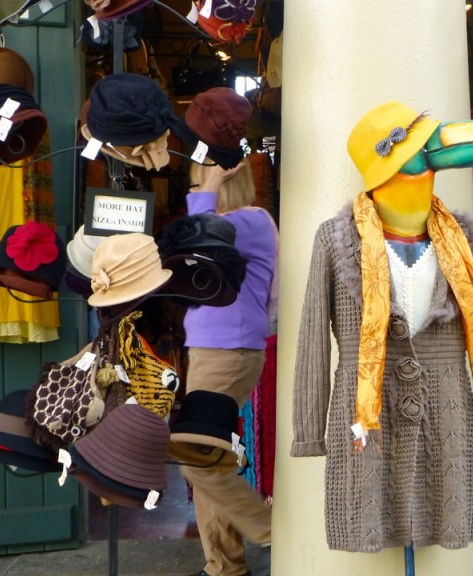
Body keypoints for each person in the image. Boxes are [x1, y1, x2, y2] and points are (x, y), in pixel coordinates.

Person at [183, 159, 277, 576]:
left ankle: (271, 530)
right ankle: (223, 566)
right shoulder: (232, 224)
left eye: (196, 184)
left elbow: (200, 236)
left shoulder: (250, 222)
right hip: (210, 351)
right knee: (209, 458)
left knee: (195, 457)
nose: (192, 191)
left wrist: (210, 186)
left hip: (230, 352)